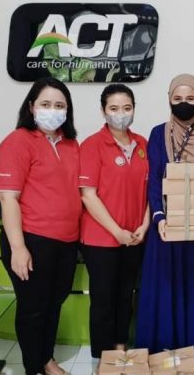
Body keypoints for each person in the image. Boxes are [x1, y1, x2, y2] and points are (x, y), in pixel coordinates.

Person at [135, 74, 194, 356]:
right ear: (169, 99)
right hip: (166, 229)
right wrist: (159, 218)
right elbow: (154, 181)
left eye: (190, 98)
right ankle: (166, 351)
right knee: (167, 289)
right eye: (177, 98)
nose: (184, 103)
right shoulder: (158, 134)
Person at [0, 76, 81, 375]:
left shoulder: (71, 144)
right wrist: (18, 248)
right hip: (31, 239)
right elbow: (8, 198)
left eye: (59, 105)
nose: (52, 110)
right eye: (46, 104)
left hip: (66, 241)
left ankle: (46, 359)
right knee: (33, 309)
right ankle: (34, 367)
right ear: (31, 106)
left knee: (54, 303)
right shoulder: (17, 141)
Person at [79, 84, 150, 358]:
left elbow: (151, 190)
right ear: (103, 111)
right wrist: (116, 231)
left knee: (125, 294)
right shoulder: (92, 145)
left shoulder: (142, 144)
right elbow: (88, 195)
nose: (121, 114)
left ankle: (120, 346)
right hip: (101, 240)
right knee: (103, 299)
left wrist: (144, 225)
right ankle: (103, 356)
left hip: (135, 237)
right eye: (114, 108)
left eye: (127, 108)